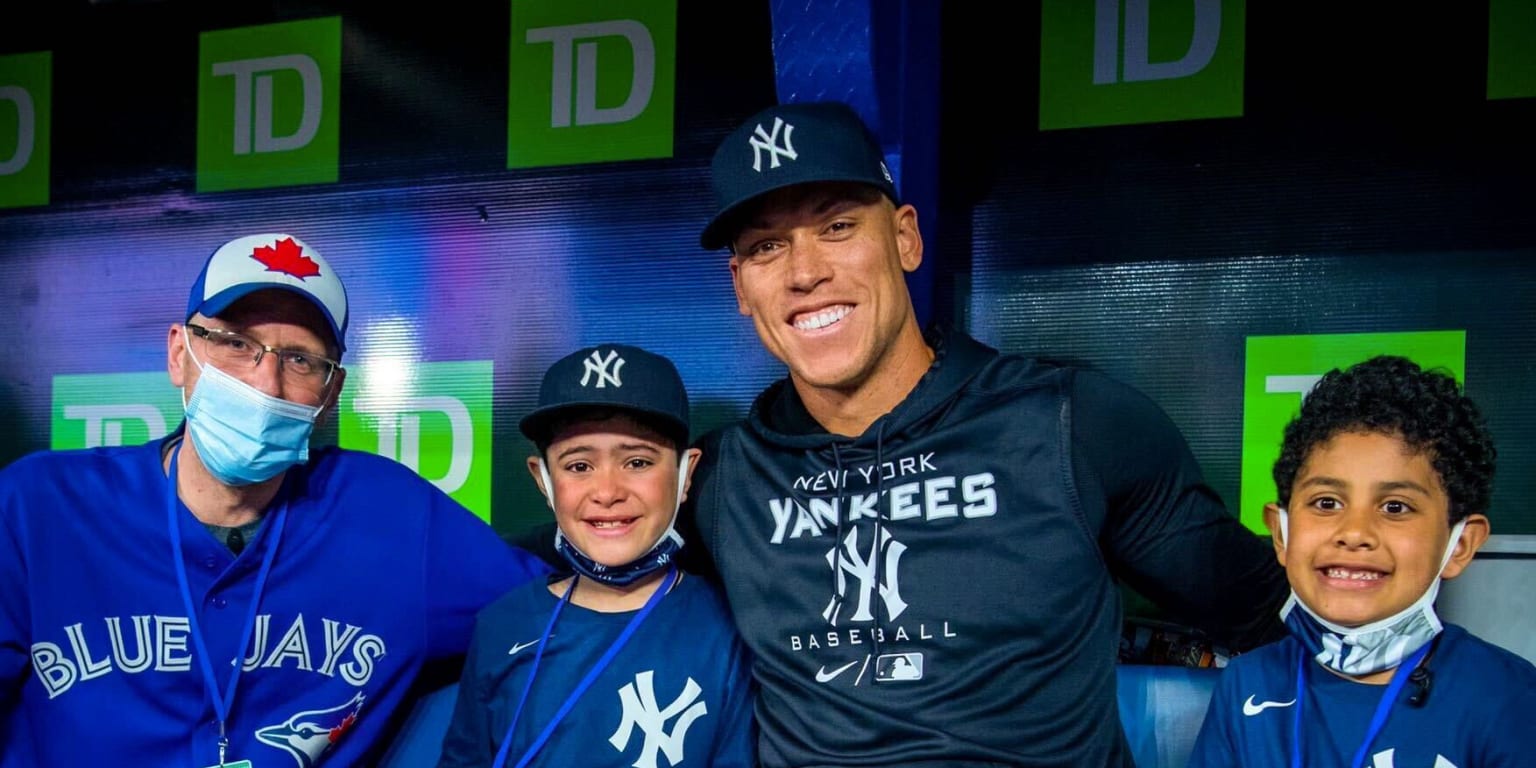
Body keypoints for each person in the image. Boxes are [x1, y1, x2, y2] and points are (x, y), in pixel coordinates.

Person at [682, 100, 1291, 766]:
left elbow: (1281, 612)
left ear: (906, 238)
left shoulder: (1072, 424)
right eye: (766, 246)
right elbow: (575, 571)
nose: (804, 272)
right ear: (740, 285)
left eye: (837, 225)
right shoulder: (720, 479)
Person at [0, 233, 550, 767]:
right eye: (237, 343)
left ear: (331, 393)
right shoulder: (39, 507)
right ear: (179, 353)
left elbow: (565, 612)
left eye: (301, 360)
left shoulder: (392, 518)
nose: (266, 383)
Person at [1188, 355, 1536, 767]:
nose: (1354, 533)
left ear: (1459, 545)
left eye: (1395, 507)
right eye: (1327, 502)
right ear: (1281, 534)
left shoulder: (1509, 697)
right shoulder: (1247, 682)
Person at [437, 343, 755, 768]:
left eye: (638, 462)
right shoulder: (503, 624)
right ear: (543, 480)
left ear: (685, 474)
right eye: (579, 466)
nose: (607, 492)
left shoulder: (732, 627)